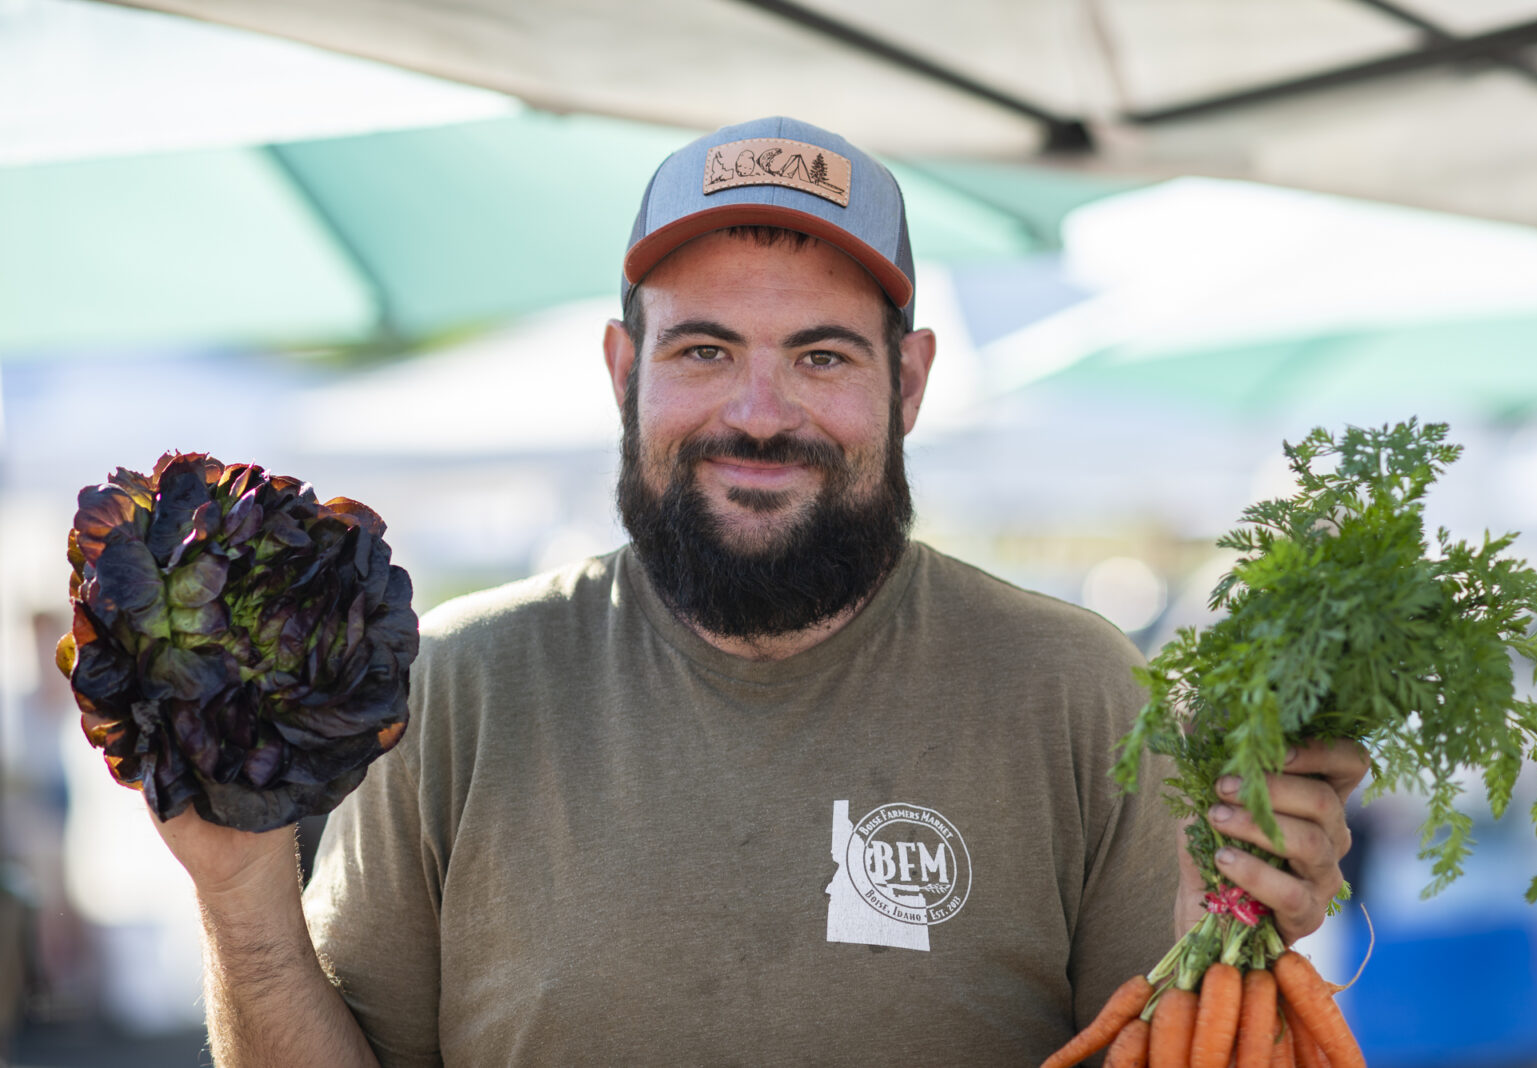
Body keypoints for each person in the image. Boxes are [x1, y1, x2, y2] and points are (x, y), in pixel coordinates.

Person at [153, 116, 1367, 1067]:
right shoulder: (456, 691)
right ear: (624, 368)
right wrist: (239, 901)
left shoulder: (1074, 687)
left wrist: (1241, 913)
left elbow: (1173, 1041)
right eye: (704, 349)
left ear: (911, 381)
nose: (757, 413)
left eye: (822, 355)